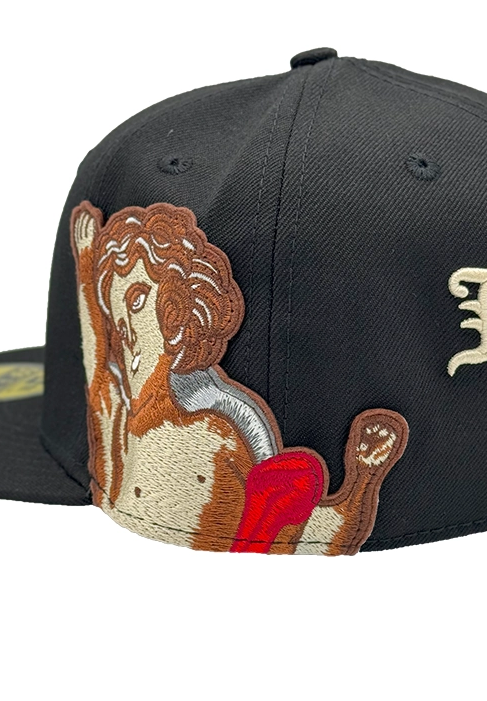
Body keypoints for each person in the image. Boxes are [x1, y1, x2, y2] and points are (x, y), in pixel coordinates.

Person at [71, 201, 408, 554]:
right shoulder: (124, 412)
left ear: (176, 313)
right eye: (116, 312)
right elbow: (98, 374)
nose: (123, 329)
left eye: (137, 301)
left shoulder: (215, 431)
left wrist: (364, 479)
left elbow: (290, 527)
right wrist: (87, 266)